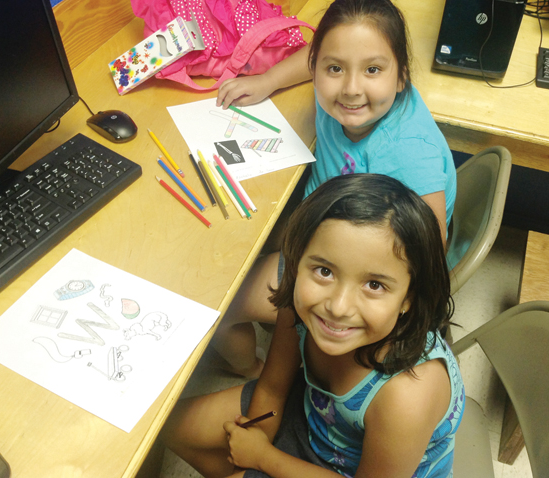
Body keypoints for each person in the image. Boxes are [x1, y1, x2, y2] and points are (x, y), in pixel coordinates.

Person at [161, 174, 464, 478]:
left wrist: (263, 458)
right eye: (324, 271)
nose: (338, 307)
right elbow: (272, 388)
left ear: (409, 298)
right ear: (296, 261)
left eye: (374, 284)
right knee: (168, 427)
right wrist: (251, 451)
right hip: (314, 413)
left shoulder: (407, 395)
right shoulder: (301, 307)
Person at [212, 0, 457, 377]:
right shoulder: (347, 93)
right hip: (321, 218)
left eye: (372, 70)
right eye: (335, 68)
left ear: (401, 77)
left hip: (353, 261)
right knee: (235, 241)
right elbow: (317, 54)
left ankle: (254, 372)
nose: (351, 89)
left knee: (221, 300)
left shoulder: (407, 154)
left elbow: (429, 250)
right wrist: (268, 81)